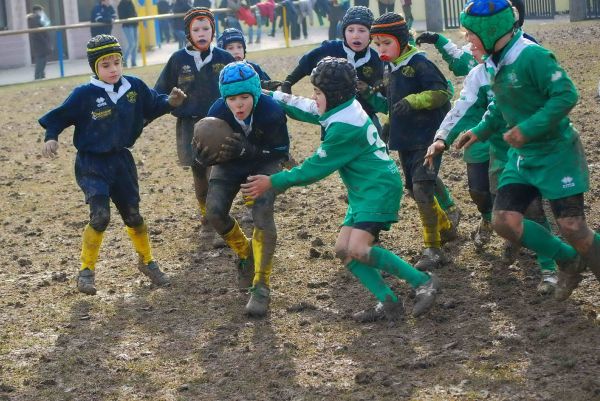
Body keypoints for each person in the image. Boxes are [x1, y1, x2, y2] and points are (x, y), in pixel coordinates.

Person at [242, 57, 441, 321]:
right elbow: (306, 107)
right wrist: (267, 94)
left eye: (318, 92)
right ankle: (389, 301)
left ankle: (423, 281)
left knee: (358, 249)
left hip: (378, 189)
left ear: (333, 95)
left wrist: (274, 181)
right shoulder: (343, 106)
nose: (314, 97)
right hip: (365, 190)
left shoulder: (343, 127)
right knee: (343, 251)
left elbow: (314, 168)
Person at [455, 0, 600, 300]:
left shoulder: (532, 56)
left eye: (470, 33)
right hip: (523, 157)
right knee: (504, 220)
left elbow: (566, 95)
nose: (467, 39)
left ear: (490, 30)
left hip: (558, 154)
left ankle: (582, 257)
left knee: (573, 228)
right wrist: (480, 132)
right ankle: (568, 260)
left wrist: (528, 129)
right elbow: (501, 107)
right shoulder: (494, 63)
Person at [38, 35, 186, 295]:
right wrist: (51, 137)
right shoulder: (84, 94)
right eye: (106, 65)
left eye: (116, 62)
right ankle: (86, 271)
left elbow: (153, 105)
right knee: (100, 216)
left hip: (121, 162)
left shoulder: (134, 87)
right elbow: (58, 118)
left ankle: (147, 262)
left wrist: (170, 103)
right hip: (92, 163)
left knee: (134, 216)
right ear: (95, 67)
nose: (113, 69)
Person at [422, 30, 559, 295]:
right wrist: (441, 138)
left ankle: (549, 267)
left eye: (473, 41)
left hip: (528, 149)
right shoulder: (478, 74)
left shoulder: (526, 56)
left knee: (534, 209)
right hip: (496, 150)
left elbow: (555, 98)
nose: (469, 48)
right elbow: (462, 107)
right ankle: (514, 236)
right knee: (493, 202)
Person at [197, 61, 290, 316]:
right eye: (232, 98)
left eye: (245, 97)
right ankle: (245, 253)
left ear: (256, 94)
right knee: (214, 212)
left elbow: (281, 152)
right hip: (231, 163)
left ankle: (261, 285)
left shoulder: (271, 111)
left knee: (262, 216)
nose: (238, 104)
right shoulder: (217, 111)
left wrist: (250, 150)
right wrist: (203, 157)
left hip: (264, 162)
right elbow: (211, 148)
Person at [368, 13, 456, 271]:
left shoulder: (419, 63)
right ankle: (446, 226)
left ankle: (433, 248)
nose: (381, 50)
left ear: (402, 40)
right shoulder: (390, 66)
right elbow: (392, 102)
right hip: (405, 137)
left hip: (427, 137)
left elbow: (442, 92)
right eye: (378, 44)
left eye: (386, 43)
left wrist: (413, 101)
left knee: (422, 190)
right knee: (414, 189)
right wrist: (388, 124)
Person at [155, 8, 235, 245]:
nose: (202, 34)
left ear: (213, 31)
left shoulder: (224, 58)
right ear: (188, 34)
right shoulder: (177, 60)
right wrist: (167, 103)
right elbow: (160, 92)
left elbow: (241, 86)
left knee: (217, 173)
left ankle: (218, 216)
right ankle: (206, 213)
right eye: (196, 30)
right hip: (189, 126)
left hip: (220, 123)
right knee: (199, 172)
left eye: (206, 29)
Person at [281, 7, 384, 136]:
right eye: (350, 30)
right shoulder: (331, 49)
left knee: (375, 141)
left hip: (365, 115)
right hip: (333, 116)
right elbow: (306, 63)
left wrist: (372, 88)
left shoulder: (375, 59)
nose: (355, 35)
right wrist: (288, 82)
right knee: (336, 149)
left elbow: (380, 89)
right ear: (343, 32)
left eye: (362, 30)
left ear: (371, 34)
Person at [27, 5, 52, 80]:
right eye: (41, 10)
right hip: (39, 42)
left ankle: (41, 75)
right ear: (37, 11)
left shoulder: (39, 18)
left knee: (43, 59)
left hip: (43, 42)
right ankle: (38, 76)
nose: (42, 12)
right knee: (40, 60)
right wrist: (45, 42)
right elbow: (38, 32)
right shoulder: (33, 19)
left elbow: (46, 25)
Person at [118, 0, 138, 67]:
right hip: (127, 26)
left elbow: (134, 13)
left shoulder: (130, 2)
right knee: (132, 44)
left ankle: (133, 62)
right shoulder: (121, 4)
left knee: (135, 44)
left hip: (134, 24)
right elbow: (121, 17)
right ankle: (124, 60)